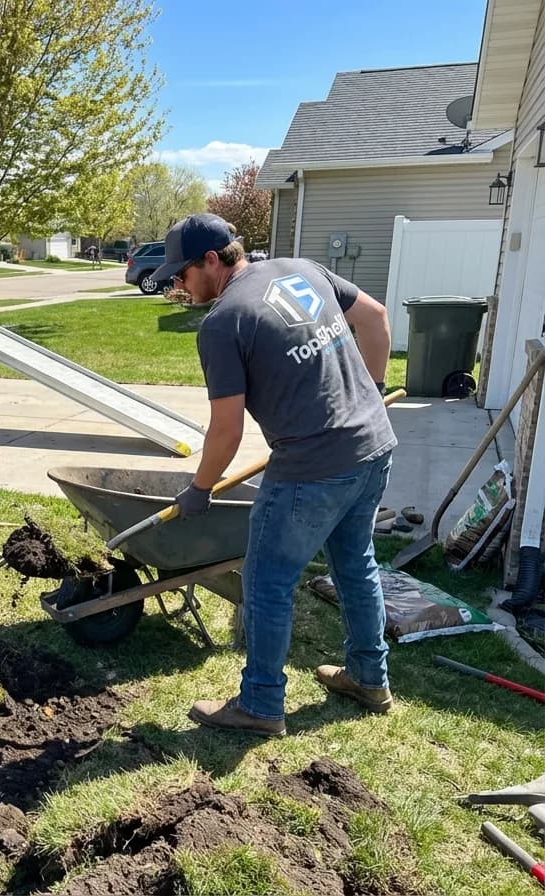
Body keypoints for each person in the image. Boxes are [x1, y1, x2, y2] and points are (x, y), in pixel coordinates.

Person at [151, 213, 397, 737]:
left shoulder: (223, 322)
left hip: (311, 468)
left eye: (182, 275)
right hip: (374, 446)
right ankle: (369, 678)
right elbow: (375, 318)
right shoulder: (301, 268)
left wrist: (199, 489)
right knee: (356, 564)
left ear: (212, 261)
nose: (178, 286)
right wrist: (372, 393)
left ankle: (260, 705)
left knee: (267, 582)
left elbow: (226, 430)